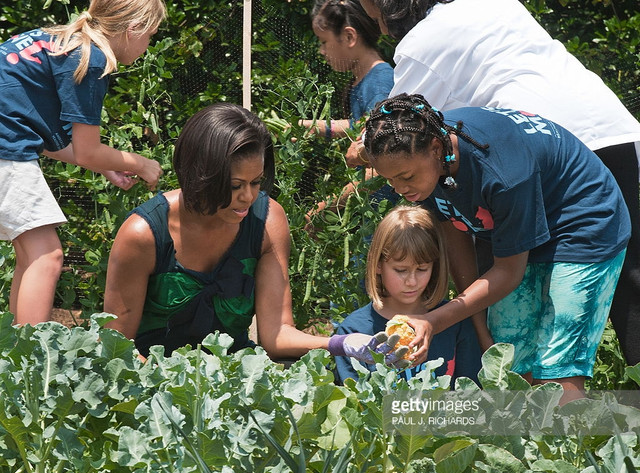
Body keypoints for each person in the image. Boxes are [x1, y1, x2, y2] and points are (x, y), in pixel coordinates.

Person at [352, 0, 640, 366]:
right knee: (630, 279)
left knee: (545, 341)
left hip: (542, 154)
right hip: (606, 127)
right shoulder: (490, 2)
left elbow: (397, 127)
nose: (369, 16)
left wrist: (361, 151)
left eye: (370, 8)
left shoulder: (421, 44)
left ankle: (556, 382)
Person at [363, 93, 630, 403]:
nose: (400, 189)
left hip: (580, 220)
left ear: (436, 149)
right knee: (507, 359)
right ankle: (526, 444)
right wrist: (480, 327)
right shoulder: (421, 154)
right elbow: (455, 229)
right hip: (515, 223)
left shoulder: (502, 175)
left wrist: (433, 321)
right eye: (390, 180)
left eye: (406, 177)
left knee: (557, 367)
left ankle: (565, 446)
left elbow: (508, 272)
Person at [103, 102, 407, 368]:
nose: (248, 197)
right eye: (235, 185)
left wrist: (342, 344)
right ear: (199, 175)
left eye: (256, 182)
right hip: (152, 388)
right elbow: (117, 350)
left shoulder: (267, 221)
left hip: (233, 382)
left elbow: (276, 335)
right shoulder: (143, 235)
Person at [0, 0, 167, 326]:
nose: (149, 45)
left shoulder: (59, 42)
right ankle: (30, 363)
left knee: (31, 255)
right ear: (133, 30)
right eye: (151, 35)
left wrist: (106, 165)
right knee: (47, 257)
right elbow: (87, 151)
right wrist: (141, 163)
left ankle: (15, 352)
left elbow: (50, 140)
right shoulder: (91, 59)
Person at [334, 204, 481, 385]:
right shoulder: (353, 330)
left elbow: (471, 393)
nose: (412, 281)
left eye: (422, 269)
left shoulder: (454, 321)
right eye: (401, 270)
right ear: (378, 264)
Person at [301, 0, 397, 223]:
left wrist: (327, 207)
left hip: (386, 214)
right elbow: (360, 126)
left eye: (324, 42)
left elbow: (385, 159)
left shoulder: (380, 83)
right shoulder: (364, 80)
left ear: (349, 37)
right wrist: (307, 127)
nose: (322, 51)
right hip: (372, 211)